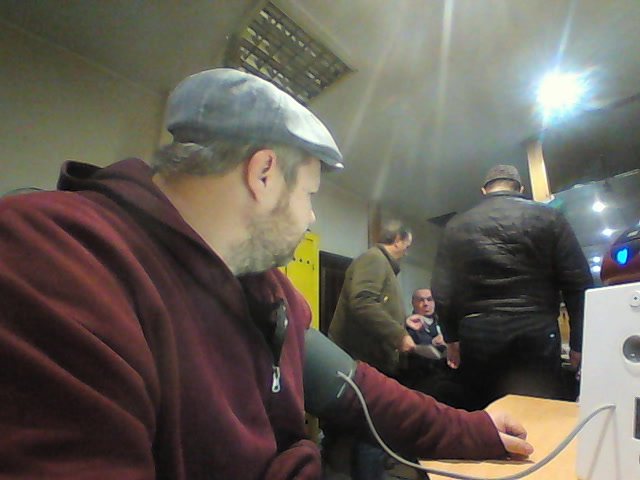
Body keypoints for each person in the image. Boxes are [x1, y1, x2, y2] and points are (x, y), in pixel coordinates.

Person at [0, 70, 533, 480]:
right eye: (309, 195)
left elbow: (358, 389)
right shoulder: (51, 256)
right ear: (263, 173)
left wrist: (475, 430)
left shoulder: (264, 287)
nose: (312, 218)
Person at [431, 164, 594, 411]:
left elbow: (442, 291)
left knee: (486, 415)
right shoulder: (550, 218)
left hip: (478, 335)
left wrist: (452, 339)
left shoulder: (456, 226)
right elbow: (579, 284)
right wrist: (579, 344)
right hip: (536, 331)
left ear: (484, 190)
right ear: (520, 189)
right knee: (539, 413)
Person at [328, 220, 415, 378]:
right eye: (406, 246)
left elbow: (379, 304)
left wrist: (404, 319)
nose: (406, 253)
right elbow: (363, 302)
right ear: (397, 240)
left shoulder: (383, 264)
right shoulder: (374, 258)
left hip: (368, 363)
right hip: (361, 363)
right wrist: (399, 335)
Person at [405, 288, 446, 357]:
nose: (426, 304)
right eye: (421, 300)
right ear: (413, 303)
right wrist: (433, 342)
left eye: (429, 299)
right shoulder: (409, 324)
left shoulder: (442, 320)